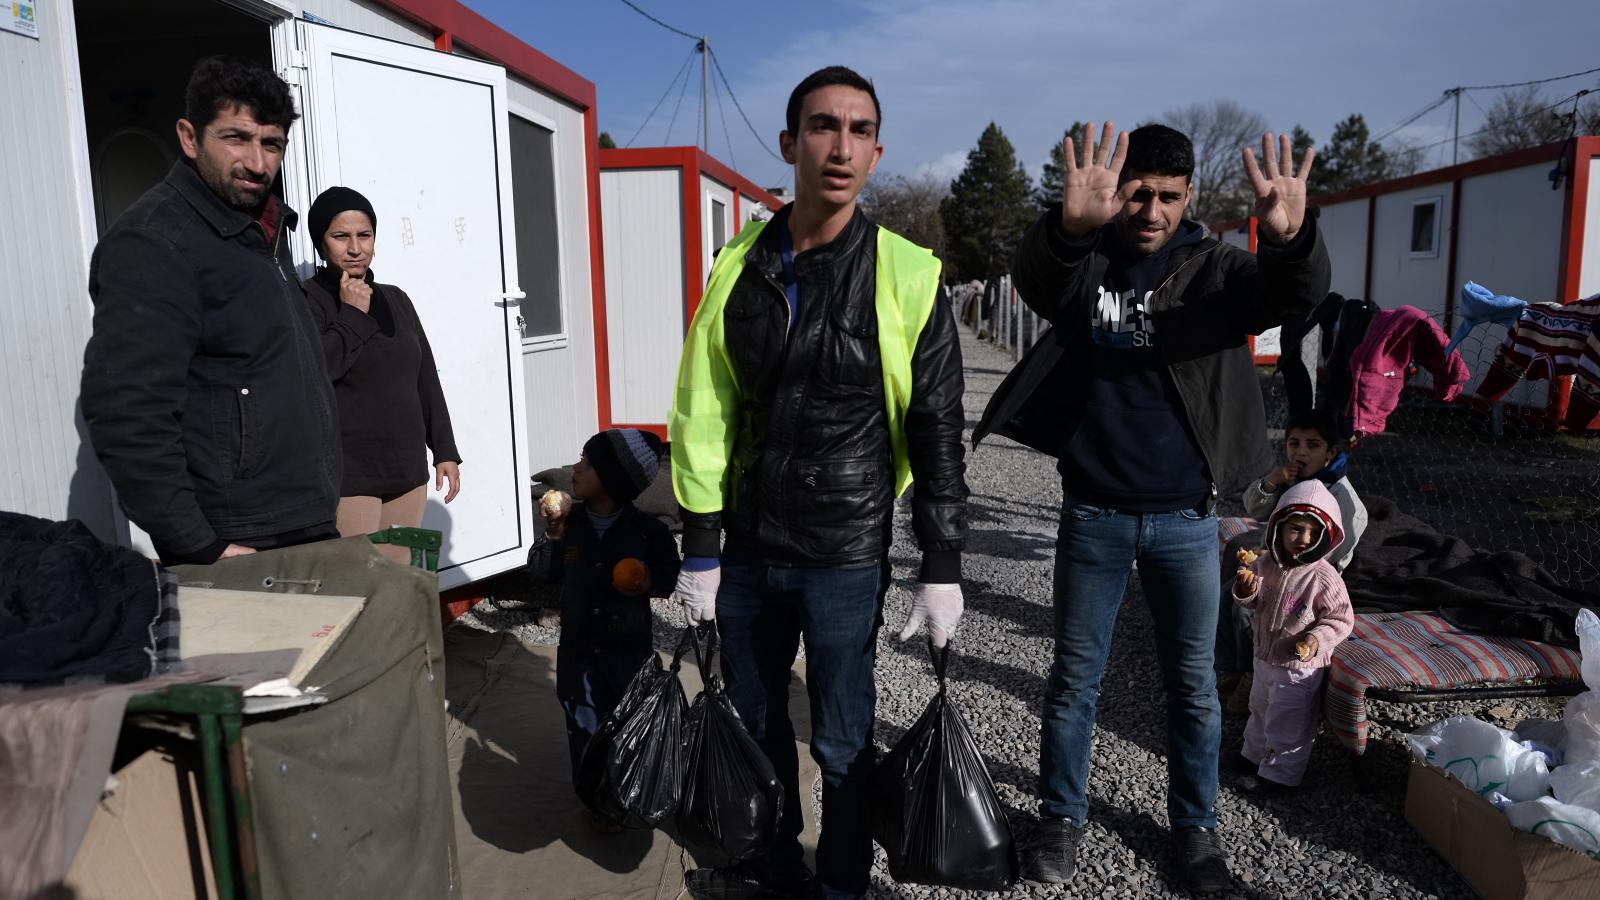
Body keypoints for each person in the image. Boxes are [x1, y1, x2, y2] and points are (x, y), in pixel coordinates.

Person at [972, 121, 1331, 893]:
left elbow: (1292, 293)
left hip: (1187, 523)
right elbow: (1037, 278)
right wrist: (1068, 227)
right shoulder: (1090, 263)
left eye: (1169, 197)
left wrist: (1293, 237)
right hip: (1093, 515)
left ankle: (1195, 835)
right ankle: (1060, 820)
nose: (1151, 210)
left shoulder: (1216, 271)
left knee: (1193, 688)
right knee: (1073, 681)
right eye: (1139, 193)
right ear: (1119, 190)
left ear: (1190, 196)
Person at [668, 66, 968, 900]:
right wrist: (700, 548)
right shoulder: (739, 266)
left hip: (844, 555)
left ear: (877, 152)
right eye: (824, 126)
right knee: (757, 727)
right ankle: (772, 872)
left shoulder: (909, 273)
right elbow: (704, 405)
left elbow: (937, 425)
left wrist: (940, 562)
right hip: (751, 553)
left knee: (841, 740)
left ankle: (840, 882)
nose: (841, 146)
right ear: (790, 142)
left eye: (859, 130)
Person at [81, 56, 340, 564]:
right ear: (189, 137)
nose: (257, 163)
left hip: (298, 519)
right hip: (236, 542)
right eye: (236, 138)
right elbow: (128, 410)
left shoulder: (260, 229)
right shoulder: (155, 243)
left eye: (272, 144)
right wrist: (198, 544)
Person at [532, 428, 680, 829]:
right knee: (583, 723)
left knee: (626, 722)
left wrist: (647, 579)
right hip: (579, 651)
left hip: (627, 651)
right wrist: (553, 534)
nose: (575, 468)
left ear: (613, 479)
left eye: (586, 462)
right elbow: (542, 573)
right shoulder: (569, 523)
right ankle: (597, 799)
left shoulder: (649, 532)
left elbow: (670, 576)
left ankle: (626, 789)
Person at [301, 187, 462, 550]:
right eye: (341, 236)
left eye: (365, 235)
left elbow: (425, 378)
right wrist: (353, 314)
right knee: (359, 585)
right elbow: (316, 372)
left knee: (404, 580)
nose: (355, 248)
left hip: (407, 470)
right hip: (349, 476)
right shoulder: (308, 300)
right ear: (320, 243)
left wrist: (445, 449)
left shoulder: (395, 298)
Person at [1218, 409, 1367, 707]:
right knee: (1229, 589)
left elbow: (1324, 556)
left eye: (1312, 445)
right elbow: (1256, 510)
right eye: (1293, 443)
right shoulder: (1291, 479)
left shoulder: (1341, 496)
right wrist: (1271, 482)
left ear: (1330, 453)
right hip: (1278, 556)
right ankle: (1230, 665)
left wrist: (1273, 557)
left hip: (1308, 575)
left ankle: (1252, 670)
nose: (1300, 452)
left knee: (1245, 610)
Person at [1226, 480, 1354, 795]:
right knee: (1260, 708)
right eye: (1296, 529)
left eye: (1313, 533)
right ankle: (1252, 756)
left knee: (1289, 720)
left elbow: (1340, 618)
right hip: (1266, 655)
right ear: (1279, 528)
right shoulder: (1265, 563)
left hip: (1299, 666)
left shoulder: (1324, 577)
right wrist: (1244, 590)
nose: (1304, 539)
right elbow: (1253, 601)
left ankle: (1281, 777)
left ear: (1325, 537)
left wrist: (1315, 640)